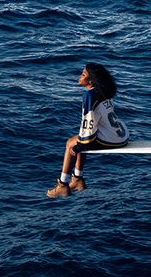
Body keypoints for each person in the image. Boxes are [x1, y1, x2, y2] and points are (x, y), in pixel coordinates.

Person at [46, 62, 129, 197]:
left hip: (111, 140)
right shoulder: (104, 91)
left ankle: (63, 184)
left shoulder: (90, 96)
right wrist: (81, 143)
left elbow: (89, 123)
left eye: (83, 75)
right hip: (121, 135)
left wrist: (79, 146)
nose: (79, 77)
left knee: (70, 144)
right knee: (79, 139)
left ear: (91, 80)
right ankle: (77, 179)